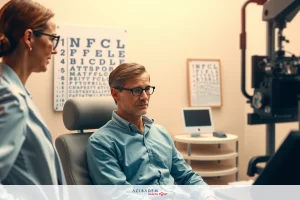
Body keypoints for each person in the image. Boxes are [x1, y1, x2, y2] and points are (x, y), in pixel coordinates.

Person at [86, 62, 216, 199]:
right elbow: (120, 195)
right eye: (136, 90)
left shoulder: (160, 133)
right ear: (115, 94)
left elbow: (187, 176)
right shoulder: (101, 142)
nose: (144, 97)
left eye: (147, 89)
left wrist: (207, 196)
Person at [0, 0, 65, 185]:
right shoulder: (10, 98)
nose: (55, 50)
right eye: (52, 39)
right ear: (29, 37)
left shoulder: (13, 91)